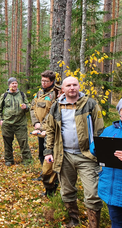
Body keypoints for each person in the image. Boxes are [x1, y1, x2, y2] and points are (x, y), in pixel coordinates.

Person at [44, 76, 104, 228]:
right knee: (67, 191)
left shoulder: (90, 104)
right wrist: (48, 151)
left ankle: (94, 224)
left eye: (75, 85)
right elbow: (50, 130)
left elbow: (99, 129)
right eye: (68, 85)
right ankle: (73, 220)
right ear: (62, 89)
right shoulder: (56, 106)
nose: (72, 88)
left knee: (92, 193)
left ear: (79, 86)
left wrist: (99, 152)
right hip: (64, 155)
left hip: (87, 155)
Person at [90, 98, 122, 228]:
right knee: (116, 222)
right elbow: (93, 148)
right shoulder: (110, 130)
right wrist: (99, 148)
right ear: (119, 112)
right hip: (112, 189)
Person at [0, 77, 33, 166]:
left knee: (23, 142)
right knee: (7, 143)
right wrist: (0, 120)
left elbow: (29, 106)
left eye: (15, 83)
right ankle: (9, 160)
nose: (14, 85)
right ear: (9, 85)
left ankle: (27, 160)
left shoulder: (21, 94)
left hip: (20, 123)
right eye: (12, 83)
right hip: (7, 124)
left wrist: (26, 107)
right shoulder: (4, 95)